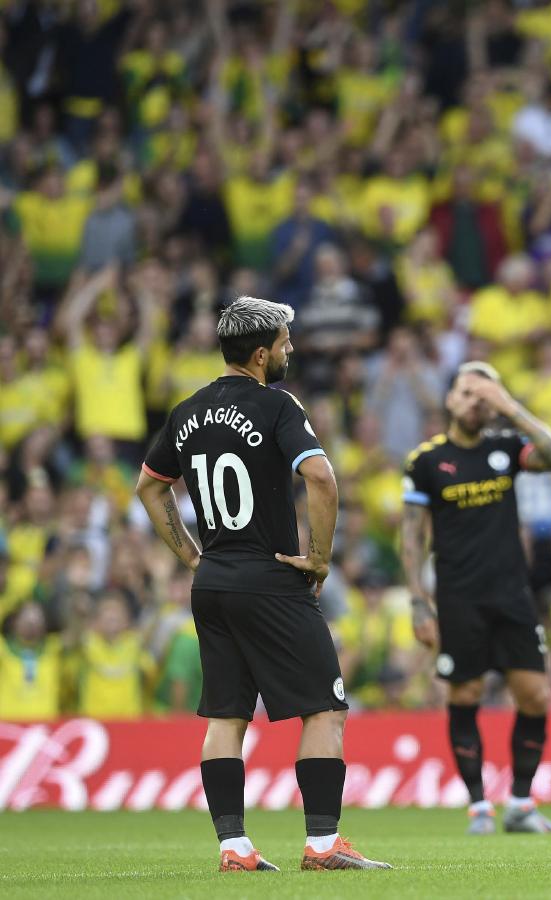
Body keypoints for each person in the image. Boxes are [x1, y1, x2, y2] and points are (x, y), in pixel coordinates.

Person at [135, 296, 389, 872]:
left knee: (227, 716)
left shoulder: (186, 411)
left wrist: (193, 558)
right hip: (271, 577)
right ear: (260, 354)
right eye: (284, 343)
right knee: (326, 707)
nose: (290, 350)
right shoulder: (276, 405)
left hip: (215, 581)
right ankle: (323, 845)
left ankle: (234, 848)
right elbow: (320, 478)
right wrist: (318, 559)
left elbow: (151, 487)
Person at [402, 360, 551, 835]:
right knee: (467, 693)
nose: (475, 400)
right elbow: (412, 538)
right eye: (467, 391)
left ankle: (520, 803)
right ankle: (479, 805)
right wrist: (419, 602)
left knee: (536, 695)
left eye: (485, 394)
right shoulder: (427, 461)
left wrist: (510, 408)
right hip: (459, 598)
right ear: (450, 399)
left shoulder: (507, 447)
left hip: (512, 595)